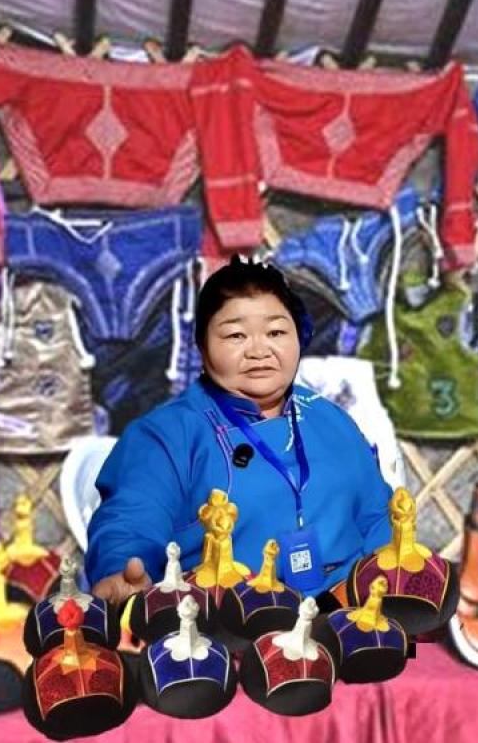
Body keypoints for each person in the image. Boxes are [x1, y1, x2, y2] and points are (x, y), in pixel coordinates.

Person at [85, 257, 392, 605]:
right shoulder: (167, 434)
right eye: (236, 335)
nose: (259, 351)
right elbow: (131, 518)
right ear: (202, 346)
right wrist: (120, 568)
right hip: (221, 623)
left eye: (276, 333)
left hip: (343, 616)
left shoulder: (329, 418)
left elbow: (378, 516)